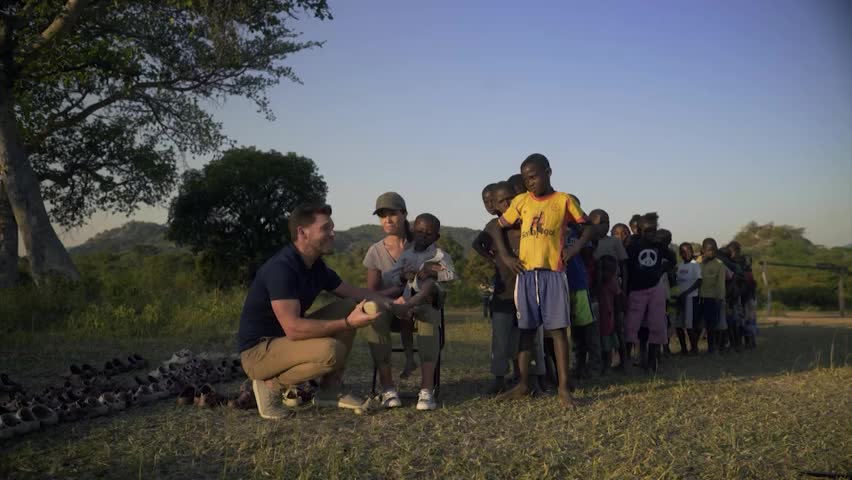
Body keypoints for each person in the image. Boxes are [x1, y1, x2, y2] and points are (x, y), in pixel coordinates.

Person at [238, 204, 409, 420]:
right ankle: (269, 383)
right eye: (326, 228)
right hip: (258, 352)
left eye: (332, 228)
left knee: (349, 304)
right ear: (302, 232)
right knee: (332, 351)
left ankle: (329, 390)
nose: (332, 234)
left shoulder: (315, 265)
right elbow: (294, 329)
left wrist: (396, 300)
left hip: (283, 342)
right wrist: (349, 323)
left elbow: (356, 293)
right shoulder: (282, 268)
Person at [487, 153, 598, 407]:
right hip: (526, 275)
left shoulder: (563, 200)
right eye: (526, 179)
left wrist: (576, 247)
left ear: (548, 172)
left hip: (554, 274)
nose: (530, 182)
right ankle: (524, 384)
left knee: (558, 331)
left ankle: (563, 389)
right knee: (526, 331)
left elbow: (588, 226)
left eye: (534, 176)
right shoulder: (521, 201)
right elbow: (496, 227)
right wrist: (505, 256)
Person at [480, 182, 548, 394]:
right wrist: (496, 260)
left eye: (511, 198)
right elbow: (477, 243)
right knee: (500, 341)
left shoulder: (529, 223)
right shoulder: (495, 227)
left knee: (532, 340)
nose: (508, 203)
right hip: (504, 295)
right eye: (502, 201)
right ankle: (499, 378)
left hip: (529, 292)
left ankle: (534, 378)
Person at [389, 213, 455, 410]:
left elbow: (452, 274)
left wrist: (434, 272)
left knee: (427, 284)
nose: (422, 236)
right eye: (419, 231)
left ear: (436, 237)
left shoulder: (440, 255)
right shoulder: (407, 255)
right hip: (410, 301)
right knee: (405, 321)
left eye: (428, 233)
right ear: (412, 231)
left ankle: (426, 390)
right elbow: (392, 277)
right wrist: (403, 275)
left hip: (431, 300)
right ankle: (410, 359)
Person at [362, 192, 412, 408]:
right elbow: (372, 292)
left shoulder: (419, 245)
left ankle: (427, 386)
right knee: (373, 311)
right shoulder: (375, 251)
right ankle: (388, 388)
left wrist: (409, 300)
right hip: (387, 311)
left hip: (415, 308)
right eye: (382, 215)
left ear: (404, 213)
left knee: (429, 310)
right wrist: (396, 295)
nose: (387, 220)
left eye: (392, 213)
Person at [624, 213, 674, 373]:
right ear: (639, 230)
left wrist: (662, 270)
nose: (651, 234)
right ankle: (626, 362)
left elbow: (672, 258)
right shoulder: (632, 246)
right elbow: (625, 267)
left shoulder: (659, 246)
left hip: (655, 289)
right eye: (647, 231)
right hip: (636, 290)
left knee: (657, 325)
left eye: (653, 230)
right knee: (631, 326)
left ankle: (652, 363)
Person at [591, 210, 629, 369]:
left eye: (607, 222)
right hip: (595, 290)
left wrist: (624, 289)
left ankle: (623, 360)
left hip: (614, 288)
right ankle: (601, 361)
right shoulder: (587, 242)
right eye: (601, 223)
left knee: (617, 326)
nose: (605, 226)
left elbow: (624, 266)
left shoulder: (614, 242)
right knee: (598, 327)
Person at [697, 238, 727, 354]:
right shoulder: (698, 264)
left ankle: (711, 347)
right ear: (703, 250)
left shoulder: (720, 265)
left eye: (714, 250)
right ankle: (694, 347)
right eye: (709, 250)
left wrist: (720, 298)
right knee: (697, 324)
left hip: (712, 298)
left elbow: (721, 284)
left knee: (711, 325)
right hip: (699, 298)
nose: (712, 252)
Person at [595, 255, 623, 375]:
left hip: (608, 319)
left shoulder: (612, 282)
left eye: (611, 271)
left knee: (607, 345)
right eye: (605, 270)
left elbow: (618, 300)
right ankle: (602, 365)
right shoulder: (597, 282)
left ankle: (607, 366)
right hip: (598, 318)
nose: (608, 274)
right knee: (599, 344)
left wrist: (618, 317)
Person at [676, 242, 702, 355]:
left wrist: (686, 293)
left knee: (689, 326)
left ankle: (694, 348)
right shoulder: (680, 266)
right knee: (678, 325)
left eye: (688, 251)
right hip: (680, 298)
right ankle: (684, 349)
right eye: (683, 252)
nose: (686, 253)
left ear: (692, 251)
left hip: (691, 298)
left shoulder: (695, 265)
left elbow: (699, 281)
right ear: (680, 254)